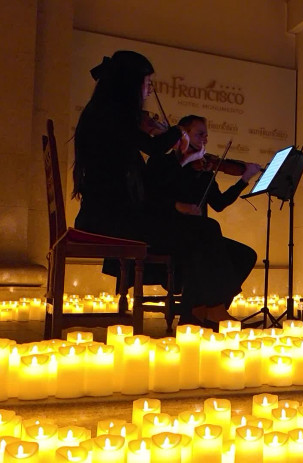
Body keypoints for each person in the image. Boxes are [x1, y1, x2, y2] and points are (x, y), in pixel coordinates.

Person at [72, 50, 235, 328]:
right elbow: (155, 147)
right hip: (111, 220)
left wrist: (177, 150)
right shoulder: (112, 116)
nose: (149, 90)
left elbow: (142, 162)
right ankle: (198, 310)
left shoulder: (104, 114)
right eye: (147, 83)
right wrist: (178, 133)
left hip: (111, 214)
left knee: (203, 229)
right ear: (130, 83)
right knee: (204, 230)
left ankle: (201, 307)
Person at [145, 114, 262, 326]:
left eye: (206, 135)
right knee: (209, 228)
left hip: (197, 234)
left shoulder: (204, 169)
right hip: (168, 231)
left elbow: (219, 203)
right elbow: (151, 198)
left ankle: (208, 310)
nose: (204, 139)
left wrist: (244, 179)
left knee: (245, 255)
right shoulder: (162, 161)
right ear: (183, 134)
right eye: (199, 134)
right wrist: (178, 205)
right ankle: (208, 309)